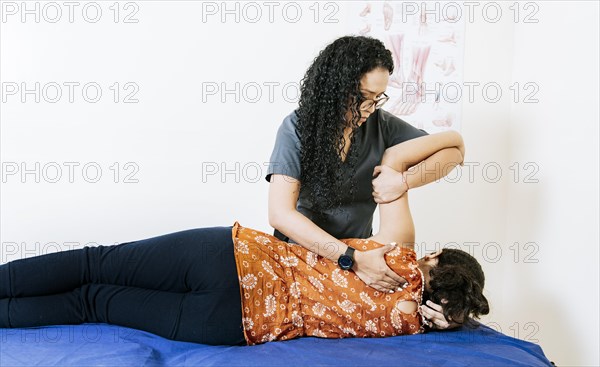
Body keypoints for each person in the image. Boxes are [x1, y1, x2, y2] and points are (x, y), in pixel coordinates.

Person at [0, 131, 487, 347]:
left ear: (434, 255)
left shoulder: (398, 250)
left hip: (231, 257)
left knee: (94, 262)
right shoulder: (415, 325)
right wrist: (448, 319)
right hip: (231, 323)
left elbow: (425, 147)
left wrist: (402, 181)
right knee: (93, 302)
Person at [265, 35, 465, 329]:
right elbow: (280, 214)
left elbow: (453, 152)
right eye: (361, 97)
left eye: (377, 98)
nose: (369, 108)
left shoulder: (379, 124)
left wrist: (404, 181)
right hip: (305, 257)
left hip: (362, 259)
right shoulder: (297, 128)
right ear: (334, 88)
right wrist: (351, 258)